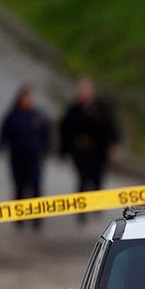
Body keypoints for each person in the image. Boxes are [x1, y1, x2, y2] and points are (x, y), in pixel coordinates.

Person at [59, 76, 120, 223]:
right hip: (80, 152)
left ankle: (97, 205)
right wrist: (64, 149)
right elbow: (65, 129)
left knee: (97, 178)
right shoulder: (73, 109)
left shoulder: (101, 108)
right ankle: (82, 210)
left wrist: (115, 144)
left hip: (98, 151)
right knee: (82, 179)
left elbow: (111, 127)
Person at [0, 85, 50, 232]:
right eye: (25, 98)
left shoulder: (38, 116)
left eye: (30, 98)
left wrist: (46, 149)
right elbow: (3, 133)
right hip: (17, 158)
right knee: (19, 188)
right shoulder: (12, 116)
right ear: (20, 99)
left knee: (36, 187)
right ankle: (19, 218)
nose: (28, 101)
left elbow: (46, 134)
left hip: (34, 158)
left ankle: (37, 219)